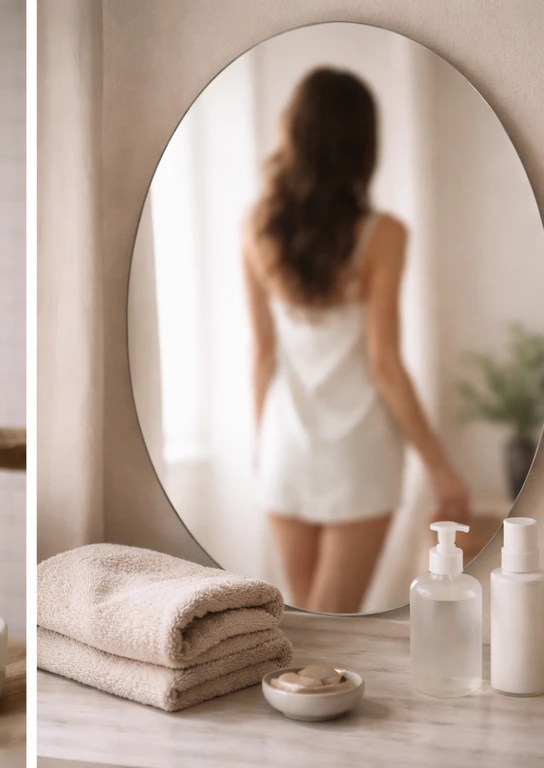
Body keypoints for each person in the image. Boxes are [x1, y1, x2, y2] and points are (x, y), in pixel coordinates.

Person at [242, 67, 470, 614]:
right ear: (362, 146)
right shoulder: (382, 235)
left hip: (284, 447)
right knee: (329, 625)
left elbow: (261, 352)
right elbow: (385, 365)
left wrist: (260, 445)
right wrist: (441, 468)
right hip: (358, 455)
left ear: (292, 134)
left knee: (308, 619)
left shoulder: (256, 226)